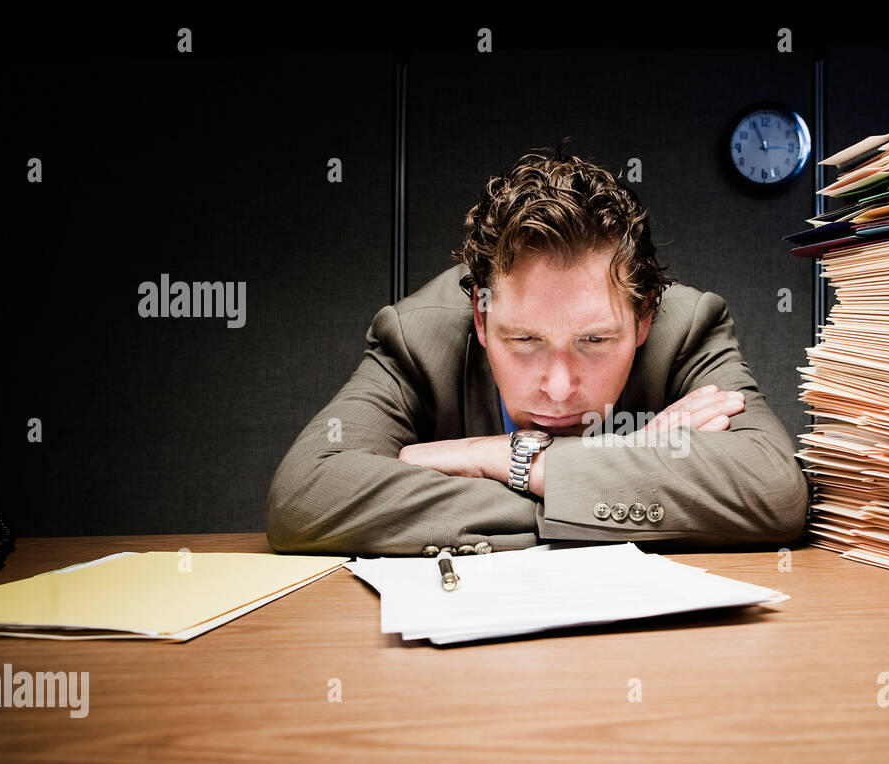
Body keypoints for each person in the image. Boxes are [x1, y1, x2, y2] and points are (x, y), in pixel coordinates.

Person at [265, 148, 809, 556]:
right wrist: (613, 472)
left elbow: (774, 490)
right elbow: (304, 499)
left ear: (644, 318)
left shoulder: (686, 327)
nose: (559, 386)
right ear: (481, 319)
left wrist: (508, 461)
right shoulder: (417, 337)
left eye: (594, 341)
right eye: (524, 341)